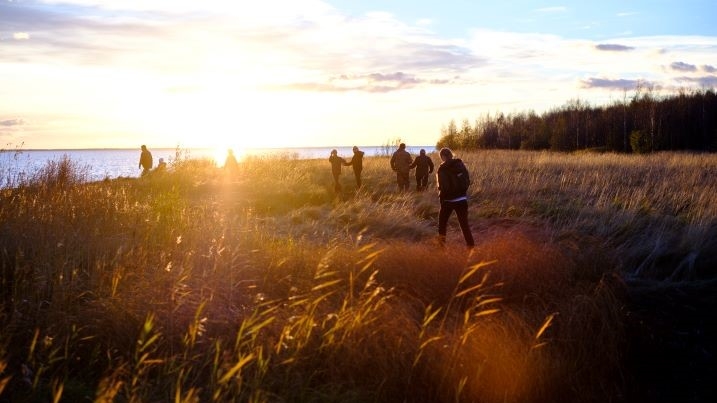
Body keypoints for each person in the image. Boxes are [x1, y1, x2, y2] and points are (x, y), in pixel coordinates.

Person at [436, 147, 475, 248]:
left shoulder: (442, 168)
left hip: (448, 201)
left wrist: (442, 200)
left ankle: (441, 248)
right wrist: (462, 193)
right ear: (451, 155)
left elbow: (442, 187)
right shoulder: (460, 165)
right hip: (462, 200)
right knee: (464, 225)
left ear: (443, 156)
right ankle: (471, 247)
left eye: (441, 157)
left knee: (442, 225)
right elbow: (467, 181)